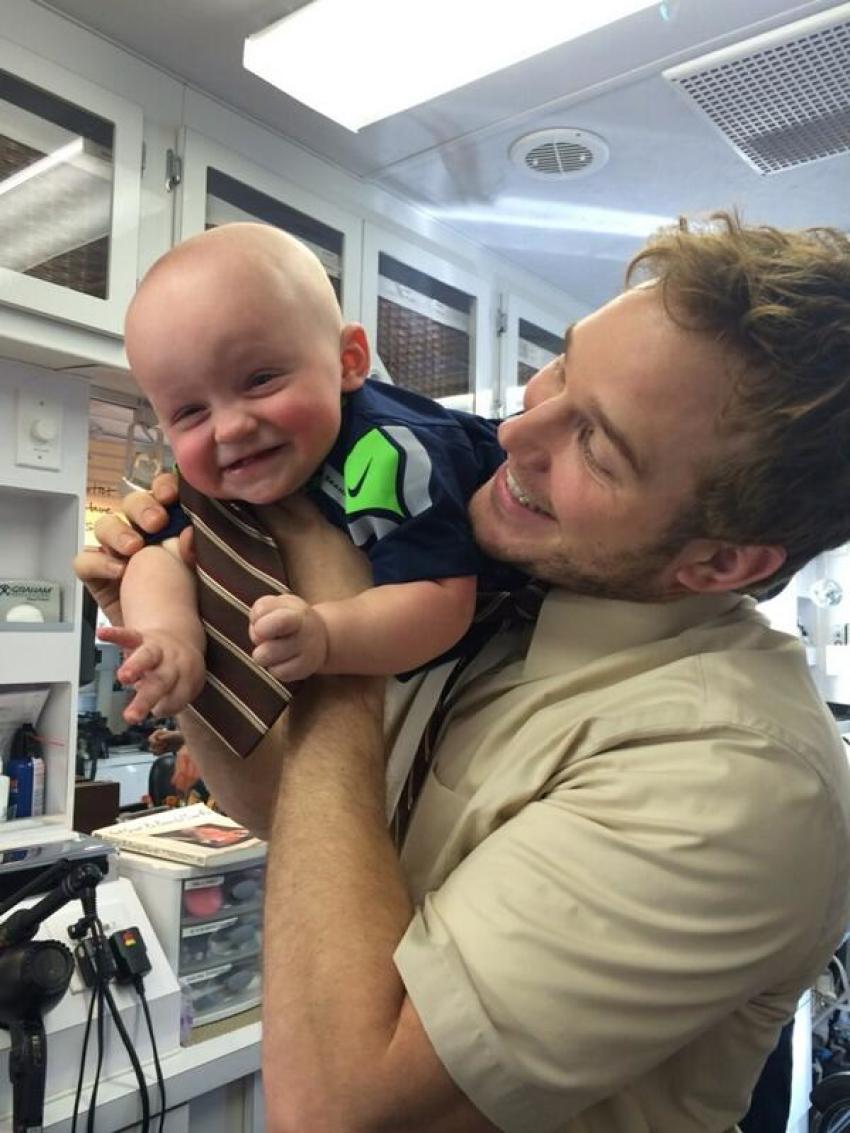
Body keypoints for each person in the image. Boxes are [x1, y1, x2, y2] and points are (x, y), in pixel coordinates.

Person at [75, 212, 850, 1133]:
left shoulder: (739, 783)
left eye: (598, 447)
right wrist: (183, 639)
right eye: (563, 366)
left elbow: (337, 1111)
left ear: (723, 565)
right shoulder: (512, 589)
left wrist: (342, 648)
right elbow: (300, 813)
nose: (520, 430)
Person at [103, 222, 523, 734]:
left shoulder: (386, 454)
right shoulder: (228, 471)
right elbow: (157, 555)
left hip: (524, 618)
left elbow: (439, 601)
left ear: (348, 363)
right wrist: (167, 635)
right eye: (189, 411)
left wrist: (327, 634)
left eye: (260, 380)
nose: (231, 427)